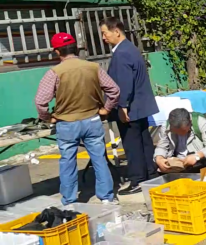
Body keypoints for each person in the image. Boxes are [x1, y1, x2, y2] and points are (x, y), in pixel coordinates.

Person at [35, 33, 120, 205]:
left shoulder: (54, 72)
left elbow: (40, 101)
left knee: (68, 162)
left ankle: (70, 200)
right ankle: (106, 197)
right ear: (76, 49)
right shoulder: (93, 67)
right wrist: (106, 109)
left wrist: (48, 118)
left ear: (57, 52)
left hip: (67, 123)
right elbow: (114, 90)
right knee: (99, 159)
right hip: (92, 120)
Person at [100, 18, 160, 195]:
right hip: (140, 105)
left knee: (132, 145)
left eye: (105, 33)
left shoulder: (121, 53)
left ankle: (138, 180)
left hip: (131, 107)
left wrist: (122, 106)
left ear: (116, 32)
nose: (103, 37)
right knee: (144, 141)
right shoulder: (131, 48)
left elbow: (124, 82)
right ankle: (150, 174)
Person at [154, 108, 206, 173]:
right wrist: (159, 158)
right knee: (154, 165)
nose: (180, 134)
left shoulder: (200, 122)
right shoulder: (165, 127)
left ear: (190, 123)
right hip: (178, 162)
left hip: (199, 159)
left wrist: (197, 156)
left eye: (182, 131)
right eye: (176, 132)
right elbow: (162, 147)